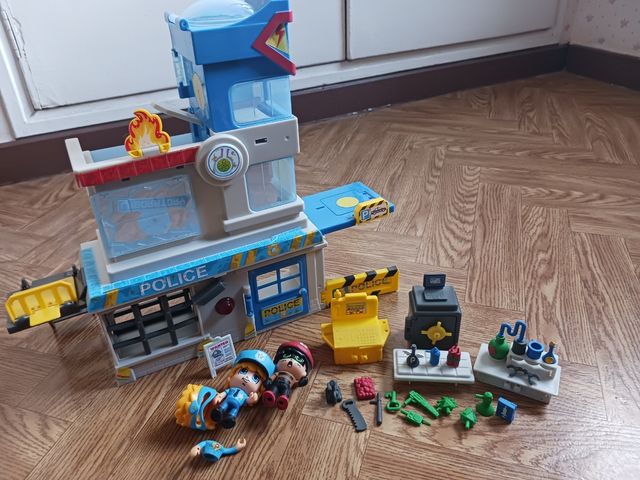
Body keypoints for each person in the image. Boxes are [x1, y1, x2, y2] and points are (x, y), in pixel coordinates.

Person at [211, 349, 275, 428]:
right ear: (233, 373)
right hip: (227, 401)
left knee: (233, 412)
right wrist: (219, 396)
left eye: (255, 378)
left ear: (260, 388)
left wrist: (252, 399)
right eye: (243, 371)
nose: (247, 378)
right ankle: (219, 412)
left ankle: (230, 419)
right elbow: (224, 393)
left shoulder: (245, 395)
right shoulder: (231, 389)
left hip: (236, 406)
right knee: (222, 407)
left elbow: (247, 400)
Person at [262, 341, 314, 410]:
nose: (291, 360)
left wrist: (300, 383)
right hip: (276, 383)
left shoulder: (294, 379)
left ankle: (283, 399)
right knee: (273, 388)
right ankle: (271, 395)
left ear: (305, 371)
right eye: (287, 356)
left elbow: (295, 384)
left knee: (285, 392)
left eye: (299, 359)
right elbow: (274, 375)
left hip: (287, 386)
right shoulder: (278, 373)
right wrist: (269, 380)